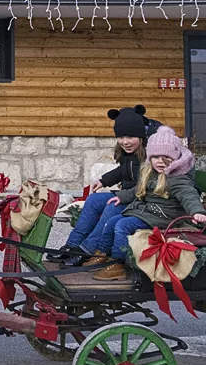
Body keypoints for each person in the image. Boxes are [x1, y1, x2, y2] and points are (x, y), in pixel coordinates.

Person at [81, 127, 206, 281]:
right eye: (155, 157)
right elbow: (138, 189)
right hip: (148, 213)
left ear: (175, 158)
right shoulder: (151, 173)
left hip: (164, 217)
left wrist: (197, 212)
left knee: (123, 225)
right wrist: (122, 197)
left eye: (166, 157)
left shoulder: (178, 179)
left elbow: (189, 196)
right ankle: (102, 254)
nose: (160, 161)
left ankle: (118, 264)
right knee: (112, 222)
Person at [59, 104, 161, 265]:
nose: (125, 142)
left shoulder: (154, 153)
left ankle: (87, 250)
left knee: (112, 206)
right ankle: (72, 244)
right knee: (93, 200)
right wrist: (104, 181)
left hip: (144, 200)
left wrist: (123, 196)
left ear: (141, 135)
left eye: (130, 137)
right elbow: (124, 169)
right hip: (129, 195)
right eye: (121, 137)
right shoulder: (131, 151)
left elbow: (149, 185)